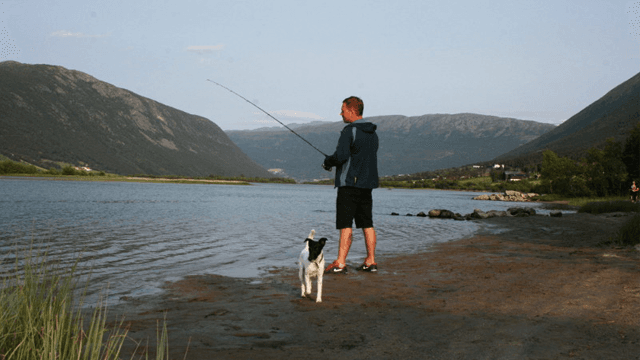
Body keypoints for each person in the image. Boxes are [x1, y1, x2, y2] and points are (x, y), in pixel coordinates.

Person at [322, 96, 379, 273]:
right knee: (367, 223)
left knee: (345, 223)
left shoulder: (349, 131)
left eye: (343, 110)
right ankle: (371, 261)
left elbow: (341, 157)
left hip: (349, 185)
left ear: (352, 110)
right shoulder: (373, 133)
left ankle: (340, 262)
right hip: (367, 184)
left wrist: (327, 162)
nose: (341, 113)